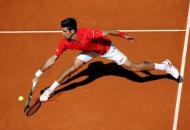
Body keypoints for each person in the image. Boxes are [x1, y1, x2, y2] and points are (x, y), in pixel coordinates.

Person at [32, 18, 180, 102]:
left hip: (107, 49)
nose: (62, 33)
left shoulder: (87, 33)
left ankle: (165, 66)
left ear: (72, 31)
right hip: (90, 51)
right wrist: (39, 73)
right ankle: (50, 91)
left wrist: (123, 35)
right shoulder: (64, 42)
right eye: (62, 30)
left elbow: (108, 31)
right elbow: (53, 59)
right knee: (72, 69)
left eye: (64, 31)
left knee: (133, 68)